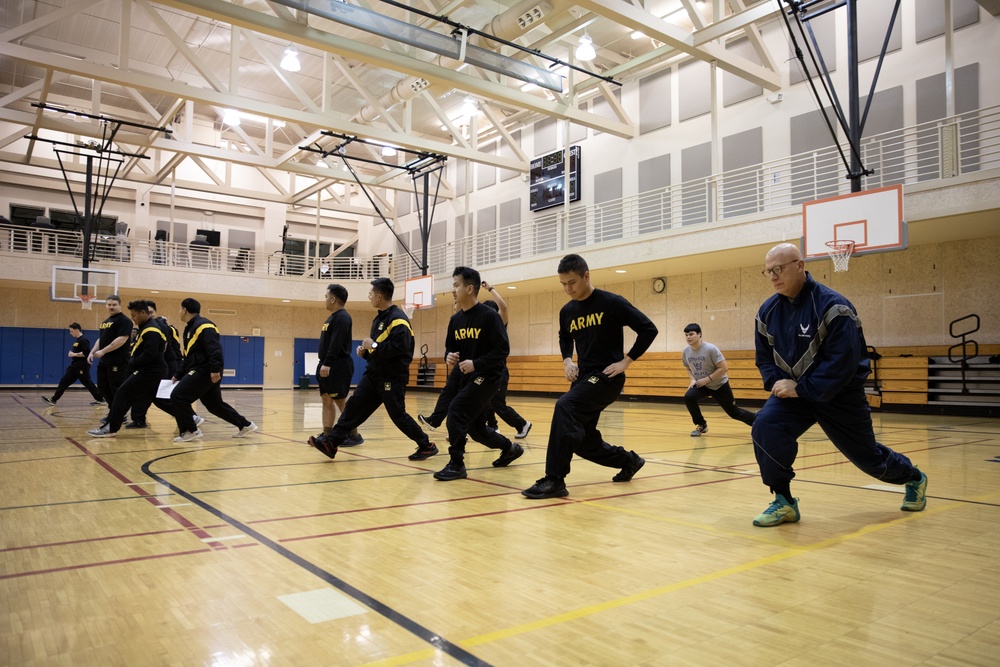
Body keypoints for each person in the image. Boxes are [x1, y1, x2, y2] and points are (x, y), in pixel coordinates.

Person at [750, 243, 928, 527]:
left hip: (838, 395)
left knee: (869, 460)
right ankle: (783, 501)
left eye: (778, 269)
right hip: (793, 396)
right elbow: (764, 358)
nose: (772, 276)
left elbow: (842, 363)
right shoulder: (767, 312)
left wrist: (802, 388)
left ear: (800, 265)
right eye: (768, 271)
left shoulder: (835, 307)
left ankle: (913, 477)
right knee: (766, 426)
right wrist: (777, 383)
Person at [522, 254, 658, 499]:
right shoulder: (567, 311)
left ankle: (555, 479)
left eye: (572, 282)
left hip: (607, 377)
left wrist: (626, 361)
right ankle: (629, 460)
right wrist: (566, 360)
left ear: (586, 276)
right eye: (563, 284)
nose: (567, 288)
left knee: (565, 405)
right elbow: (565, 336)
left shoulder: (611, 302)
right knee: (584, 441)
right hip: (584, 378)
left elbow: (648, 329)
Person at [309, 278, 438, 461]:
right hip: (374, 373)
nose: (369, 297)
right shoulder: (379, 318)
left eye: (370, 294)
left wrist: (374, 345)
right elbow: (380, 351)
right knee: (354, 406)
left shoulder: (398, 320)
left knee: (397, 415)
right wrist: (367, 353)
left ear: (379, 296)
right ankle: (332, 443)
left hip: (391, 377)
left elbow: (400, 350)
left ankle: (427, 445)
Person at [432, 267, 524, 481]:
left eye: (456, 285)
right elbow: (450, 347)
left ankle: (457, 463)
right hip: (469, 377)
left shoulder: (489, 316)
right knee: (476, 430)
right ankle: (510, 448)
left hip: (490, 376)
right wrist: (449, 356)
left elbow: (503, 350)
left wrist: (476, 363)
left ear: (470, 288)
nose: (453, 289)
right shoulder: (456, 320)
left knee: (455, 409)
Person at [163, 298, 257, 442]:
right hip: (201, 369)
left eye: (179, 309)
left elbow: (215, 349)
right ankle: (245, 425)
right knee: (214, 405)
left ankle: (190, 430)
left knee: (178, 396)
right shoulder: (190, 327)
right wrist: (179, 374)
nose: (179, 312)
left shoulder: (204, 326)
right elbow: (188, 356)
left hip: (205, 370)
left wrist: (215, 369)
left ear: (185, 310)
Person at [87, 300, 166, 437]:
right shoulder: (145, 327)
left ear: (143, 313)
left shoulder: (150, 329)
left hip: (150, 370)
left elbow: (150, 354)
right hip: (149, 369)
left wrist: (133, 362)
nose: (133, 318)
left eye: (134, 315)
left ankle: (111, 427)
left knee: (122, 392)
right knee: (161, 400)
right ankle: (191, 422)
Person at [309, 284, 363, 448]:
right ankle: (327, 434)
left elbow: (336, 343)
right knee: (326, 399)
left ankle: (354, 435)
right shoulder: (332, 317)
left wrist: (328, 363)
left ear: (333, 299)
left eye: (326, 297)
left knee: (340, 400)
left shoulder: (342, 317)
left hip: (337, 365)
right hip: (327, 363)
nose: (325, 300)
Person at [682, 323, 756, 436]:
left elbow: (724, 368)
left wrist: (707, 379)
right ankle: (701, 425)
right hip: (702, 385)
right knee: (689, 396)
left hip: (719, 384)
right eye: (686, 335)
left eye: (691, 334)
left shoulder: (710, 349)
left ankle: (757, 420)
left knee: (733, 412)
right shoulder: (686, 352)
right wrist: (692, 380)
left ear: (699, 334)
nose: (688, 337)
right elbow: (688, 368)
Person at [479, 280, 532, 439]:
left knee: (498, 405)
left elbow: (503, 306)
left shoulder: (499, 323)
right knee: (483, 401)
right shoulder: (483, 329)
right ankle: (491, 427)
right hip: (486, 370)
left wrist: (490, 288)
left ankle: (522, 424)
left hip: (499, 372)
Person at [126, 300, 185, 429]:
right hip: (152, 366)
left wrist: (177, 367)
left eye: (151, 312)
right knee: (149, 395)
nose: (150, 315)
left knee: (160, 397)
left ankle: (188, 416)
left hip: (168, 364)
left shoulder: (165, 328)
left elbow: (173, 347)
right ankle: (138, 419)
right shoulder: (143, 329)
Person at [87, 294, 132, 415]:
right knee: (102, 387)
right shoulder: (105, 322)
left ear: (120, 305)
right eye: (109, 305)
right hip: (104, 361)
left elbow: (122, 339)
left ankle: (119, 414)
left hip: (118, 361)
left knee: (116, 388)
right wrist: (92, 352)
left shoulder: (124, 321)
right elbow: (101, 339)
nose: (111, 307)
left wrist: (103, 351)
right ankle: (114, 412)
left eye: (114, 305)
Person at [43, 323, 104, 406]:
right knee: (64, 381)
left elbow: (86, 353)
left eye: (71, 331)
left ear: (77, 330)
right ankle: (53, 399)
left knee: (87, 382)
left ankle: (100, 399)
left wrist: (74, 354)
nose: (70, 333)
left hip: (81, 365)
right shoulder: (77, 340)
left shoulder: (84, 340)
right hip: (74, 365)